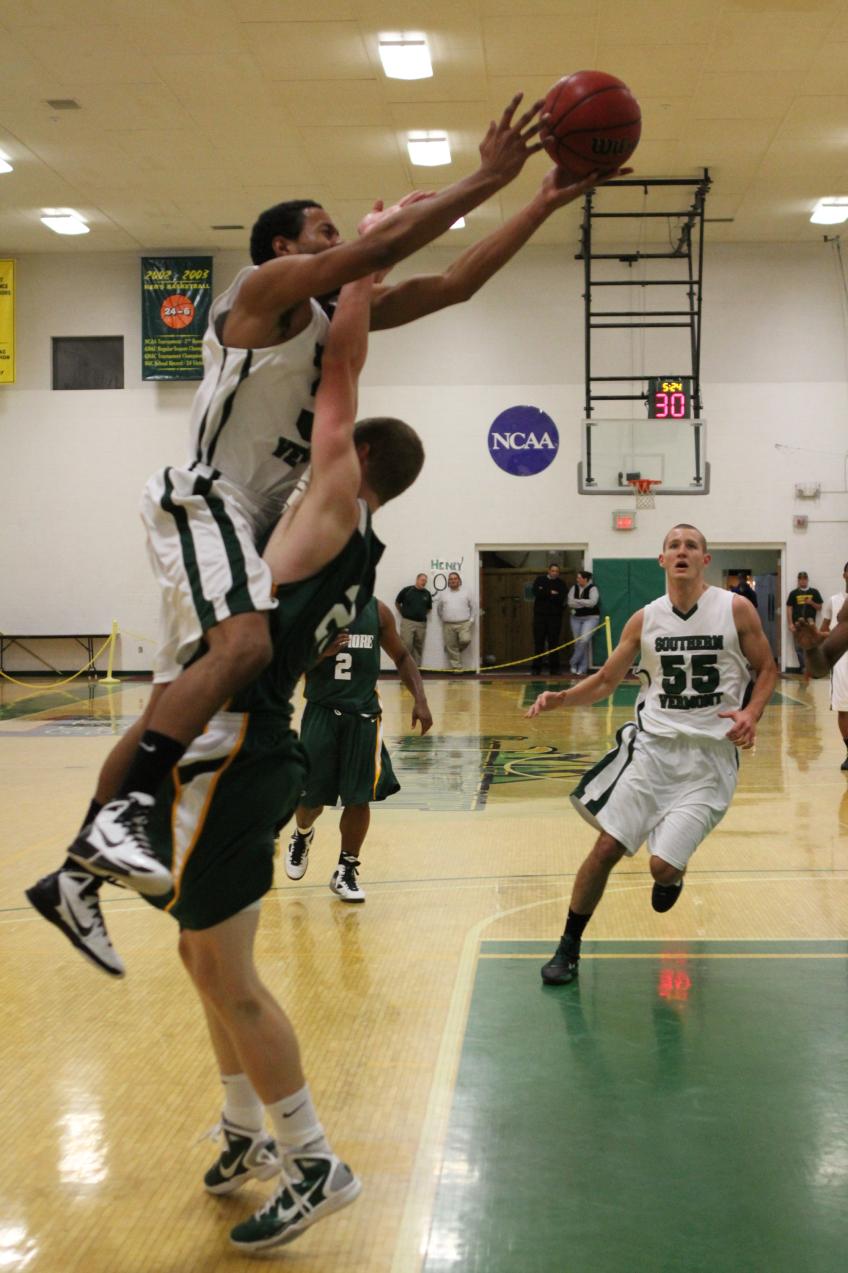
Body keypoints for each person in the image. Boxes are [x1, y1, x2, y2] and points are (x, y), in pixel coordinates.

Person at [39, 100, 627, 922]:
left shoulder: (330, 317)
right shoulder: (261, 293)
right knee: (242, 647)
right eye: (324, 230)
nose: (337, 237)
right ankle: (109, 832)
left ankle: (79, 872)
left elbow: (456, 283)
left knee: (183, 687)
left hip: (256, 525)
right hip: (205, 495)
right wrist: (490, 174)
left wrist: (541, 200)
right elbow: (380, 248)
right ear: (284, 248)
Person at [35, 266, 424, 1253]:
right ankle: (247, 1131)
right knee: (204, 954)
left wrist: (357, 288)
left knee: (230, 975)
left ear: (353, 456)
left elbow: (339, 369)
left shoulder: (330, 496)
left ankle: (312, 1158)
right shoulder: (351, 547)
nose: (305, 445)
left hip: (241, 744)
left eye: (325, 438)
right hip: (253, 742)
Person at [527, 523, 776, 987]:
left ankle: (670, 877)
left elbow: (767, 668)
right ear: (661, 560)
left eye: (692, 546)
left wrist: (752, 713)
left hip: (708, 762)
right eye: (673, 546)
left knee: (661, 866)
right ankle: (568, 947)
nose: (682, 552)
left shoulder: (735, 609)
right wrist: (560, 698)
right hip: (651, 753)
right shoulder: (644, 619)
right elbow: (605, 681)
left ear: (706, 559)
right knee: (605, 847)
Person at [285, 598, 433, 902]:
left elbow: (403, 656)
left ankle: (346, 869)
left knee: (359, 796)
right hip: (322, 712)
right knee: (310, 799)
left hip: (363, 715)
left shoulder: (378, 612)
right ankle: (301, 835)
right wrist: (320, 653)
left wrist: (421, 699)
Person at [806, 562, 848, 770]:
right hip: (840, 659)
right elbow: (826, 632)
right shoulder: (835, 601)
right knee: (843, 708)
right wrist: (815, 637)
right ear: (844, 575)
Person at [531, 563, 568, 675]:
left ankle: (554, 669)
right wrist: (550, 593)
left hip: (555, 618)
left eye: (557, 571)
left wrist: (546, 593)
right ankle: (536, 669)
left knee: (554, 643)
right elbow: (536, 592)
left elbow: (561, 598)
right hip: (540, 617)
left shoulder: (561, 583)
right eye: (553, 571)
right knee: (539, 643)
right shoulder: (540, 580)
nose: (555, 573)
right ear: (548, 571)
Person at [437, 572, 475, 672]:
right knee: (451, 646)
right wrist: (444, 618)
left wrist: (471, 621)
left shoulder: (466, 592)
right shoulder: (443, 594)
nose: (453, 580)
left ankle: (453, 651)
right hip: (448, 624)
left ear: (459, 580)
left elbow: (473, 608)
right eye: (451, 579)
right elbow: (439, 609)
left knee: (465, 640)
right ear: (448, 582)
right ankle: (457, 668)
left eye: (455, 578)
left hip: (464, 623)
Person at [785, 571, 822, 674]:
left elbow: (819, 607)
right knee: (798, 648)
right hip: (797, 625)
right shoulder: (793, 593)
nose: (803, 581)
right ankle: (804, 667)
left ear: (807, 580)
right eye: (801, 579)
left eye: (805, 579)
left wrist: (811, 602)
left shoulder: (814, 592)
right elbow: (789, 608)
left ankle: (811, 668)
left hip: (810, 625)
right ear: (798, 580)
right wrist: (790, 623)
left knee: (811, 647)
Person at [567, 569, 601, 678]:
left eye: (579, 578)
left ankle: (572, 662)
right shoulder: (574, 587)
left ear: (585, 579)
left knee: (584, 639)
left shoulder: (593, 588)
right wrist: (583, 602)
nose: (577, 579)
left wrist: (578, 601)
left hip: (591, 618)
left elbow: (592, 603)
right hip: (575, 618)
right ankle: (582, 668)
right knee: (578, 642)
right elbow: (570, 602)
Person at [395, 572, 433, 666]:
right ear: (417, 580)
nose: (424, 582)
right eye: (422, 580)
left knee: (418, 646)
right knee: (406, 645)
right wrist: (404, 613)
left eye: (425, 581)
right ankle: (405, 667)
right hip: (408, 622)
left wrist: (420, 614)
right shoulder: (407, 590)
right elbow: (397, 603)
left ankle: (416, 668)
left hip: (421, 624)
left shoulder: (427, 594)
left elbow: (429, 609)